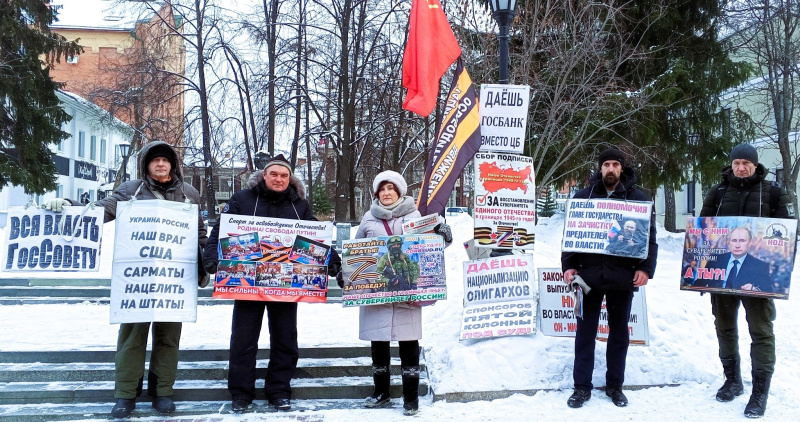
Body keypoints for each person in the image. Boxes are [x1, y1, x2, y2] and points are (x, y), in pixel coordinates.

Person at [43, 141, 207, 418]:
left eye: (165, 160)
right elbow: (100, 210)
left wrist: (209, 257)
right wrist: (69, 206)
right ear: (146, 164)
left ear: (172, 164)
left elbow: (199, 233)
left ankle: (162, 392)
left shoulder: (188, 193)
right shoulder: (132, 190)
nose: (160, 164)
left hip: (174, 281)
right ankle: (125, 394)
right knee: (132, 337)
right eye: (154, 160)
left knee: (169, 338)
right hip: (137, 279)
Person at [202, 154, 341, 413]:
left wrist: (333, 261)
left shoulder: (299, 205)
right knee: (243, 339)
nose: (279, 179)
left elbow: (316, 239)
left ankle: (279, 390)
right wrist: (211, 256)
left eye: (284, 175)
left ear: (290, 179)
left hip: (286, 284)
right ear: (264, 176)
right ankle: (242, 393)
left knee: (285, 338)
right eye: (274, 174)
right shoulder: (242, 199)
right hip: (247, 282)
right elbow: (219, 231)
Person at [698, 143, 793, 418]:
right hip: (723, 272)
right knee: (724, 328)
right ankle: (732, 381)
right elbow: (704, 233)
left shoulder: (773, 192)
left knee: (761, 332)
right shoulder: (717, 192)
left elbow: (785, 235)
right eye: (737, 163)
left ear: (755, 165)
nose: (741, 168)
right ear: (731, 164)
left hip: (757, 275)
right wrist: (701, 275)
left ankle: (760, 392)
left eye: (746, 164)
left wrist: (773, 279)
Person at [561, 148, 657, 409]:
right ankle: (581, 387)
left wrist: (645, 269)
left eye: (615, 164)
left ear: (622, 168)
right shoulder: (584, 197)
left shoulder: (638, 199)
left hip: (622, 277)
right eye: (606, 165)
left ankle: (615, 386)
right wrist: (568, 266)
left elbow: (649, 238)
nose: (611, 169)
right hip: (588, 277)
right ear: (600, 168)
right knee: (585, 333)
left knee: (618, 335)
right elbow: (571, 236)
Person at [352, 170, 452, 416]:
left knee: (409, 344)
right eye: (382, 189)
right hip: (377, 293)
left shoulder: (416, 216)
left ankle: (411, 397)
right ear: (376, 193)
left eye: (391, 188)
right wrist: (347, 272)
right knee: (379, 346)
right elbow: (354, 254)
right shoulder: (368, 219)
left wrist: (444, 236)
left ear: (399, 191)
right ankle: (381, 393)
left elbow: (432, 248)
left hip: (408, 290)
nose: (386, 193)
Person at [696, 227, 773, 291]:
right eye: (734, 240)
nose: (737, 245)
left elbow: (768, 289)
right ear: (729, 243)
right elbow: (699, 283)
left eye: (742, 241)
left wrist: (754, 289)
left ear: (750, 243)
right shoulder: (716, 260)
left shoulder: (760, 266)